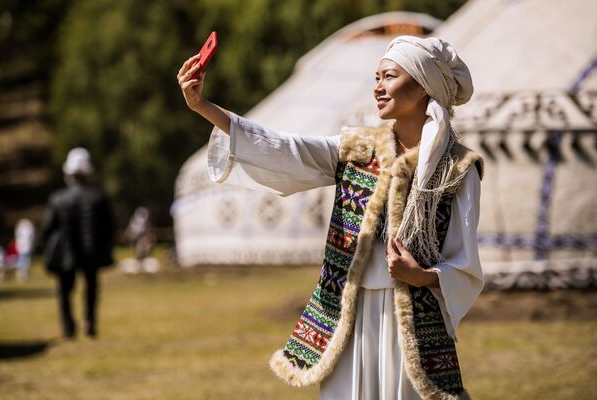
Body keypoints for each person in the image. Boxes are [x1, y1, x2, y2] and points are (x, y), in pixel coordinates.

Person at [178, 35, 483, 399]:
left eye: (389, 77)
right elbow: (285, 149)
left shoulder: (458, 169)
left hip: (414, 325)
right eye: (376, 78)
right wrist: (203, 107)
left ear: (421, 87)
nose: (378, 88)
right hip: (349, 318)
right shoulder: (356, 150)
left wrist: (420, 275)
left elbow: (464, 264)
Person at [41, 148, 115, 339]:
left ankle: (68, 328)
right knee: (91, 288)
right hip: (92, 252)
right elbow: (110, 227)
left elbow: (48, 227)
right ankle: (90, 323)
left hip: (66, 253)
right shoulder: (98, 196)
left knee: (65, 292)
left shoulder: (58, 198)